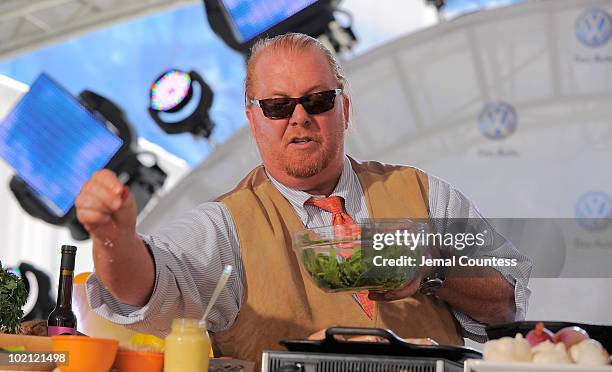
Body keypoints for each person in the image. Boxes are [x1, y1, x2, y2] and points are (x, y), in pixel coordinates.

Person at [76, 33, 531, 364]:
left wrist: (432, 268)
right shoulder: (225, 225)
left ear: (344, 109)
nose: (299, 118)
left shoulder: (424, 193)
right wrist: (114, 238)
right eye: (277, 106)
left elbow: (507, 301)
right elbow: (145, 289)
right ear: (254, 122)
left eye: (318, 101)